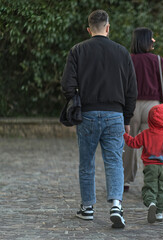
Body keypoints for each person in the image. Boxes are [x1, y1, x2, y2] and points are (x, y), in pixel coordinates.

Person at [61, 10, 137, 228]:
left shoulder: (77, 50)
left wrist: (75, 99)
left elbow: (67, 84)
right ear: (108, 27)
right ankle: (115, 204)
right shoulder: (122, 53)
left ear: (89, 29)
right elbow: (132, 89)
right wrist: (127, 117)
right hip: (115, 114)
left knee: (87, 162)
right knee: (114, 161)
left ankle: (87, 208)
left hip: (87, 114)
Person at [123, 27, 163, 192]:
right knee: (153, 145)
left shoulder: (127, 60)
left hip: (131, 106)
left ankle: (125, 181)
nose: (153, 41)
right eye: (151, 38)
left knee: (129, 144)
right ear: (144, 40)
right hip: (154, 108)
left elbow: (123, 86)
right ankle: (152, 183)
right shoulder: (158, 60)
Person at [123, 104, 163, 223]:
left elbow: (134, 143)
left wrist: (124, 135)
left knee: (150, 187)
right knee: (162, 189)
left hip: (150, 167)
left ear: (149, 119)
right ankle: (159, 212)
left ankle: (151, 203)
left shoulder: (145, 133)